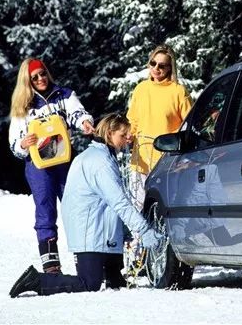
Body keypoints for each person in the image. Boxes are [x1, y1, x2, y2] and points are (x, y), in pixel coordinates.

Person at [9, 113, 165, 298]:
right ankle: (38, 280)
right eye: (122, 135)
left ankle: (113, 272)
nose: (127, 140)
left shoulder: (102, 155)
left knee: (116, 282)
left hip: (102, 229)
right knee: (89, 283)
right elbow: (120, 203)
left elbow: (109, 201)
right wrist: (144, 230)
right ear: (109, 133)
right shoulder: (99, 162)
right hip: (90, 232)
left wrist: (122, 229)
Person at [9, 58, 95, 274]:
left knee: (78, 207)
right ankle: (51, 264)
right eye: (34, 77)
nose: (40, 79)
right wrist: (23, 143)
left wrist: (84, 122)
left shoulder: (63, 94)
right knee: (45, 210)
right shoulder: (23, 107)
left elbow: (77, 112)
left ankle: (86, 256)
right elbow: (14, 143)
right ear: (27, 81)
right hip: (39, 166)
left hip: (65, 160)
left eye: (42, 74)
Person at [126, 44, 192, 211]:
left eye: (162, 65)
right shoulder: (141, 89)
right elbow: (132, 120)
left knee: (165, 205)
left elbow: (189, 123)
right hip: (141, 158)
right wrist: (129, 135)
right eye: (153, 63)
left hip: (166, 161)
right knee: (139, 205)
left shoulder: (178, 91)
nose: (156, 68)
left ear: (170, 68)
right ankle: (140, 237)